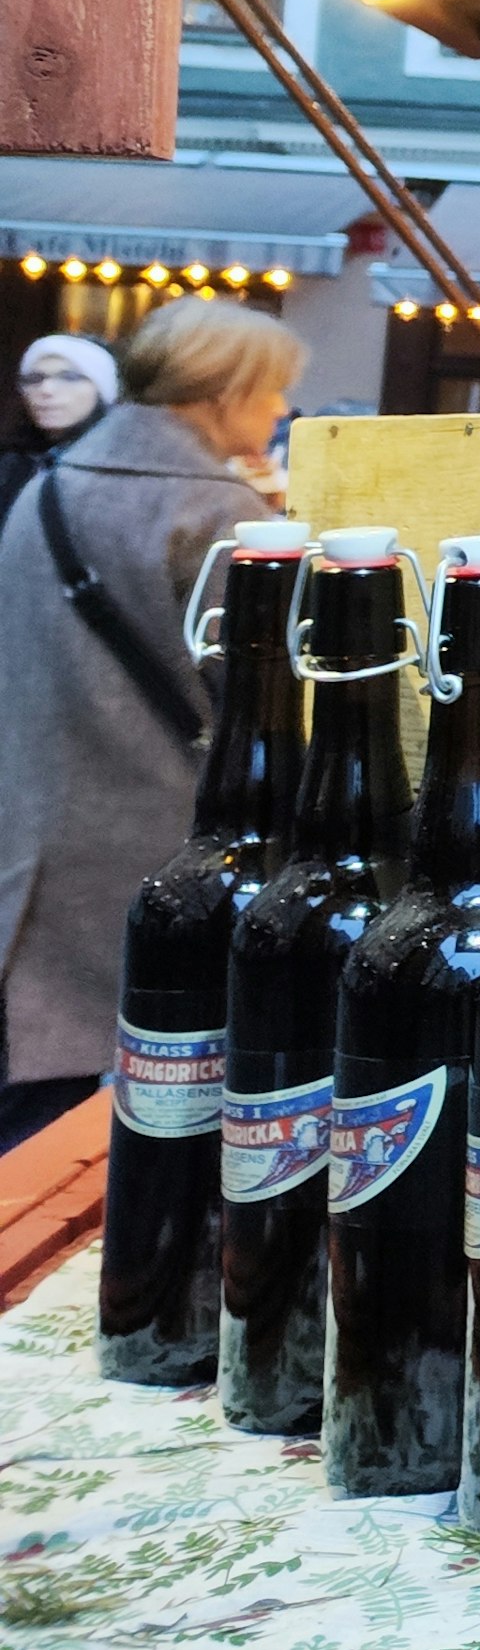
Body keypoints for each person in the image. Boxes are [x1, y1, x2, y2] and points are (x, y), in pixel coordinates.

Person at [0, 299, 304, 1148]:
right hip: (158, 858)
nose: (279, 410)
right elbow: (267, 700)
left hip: (33, 842)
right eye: (273, 389)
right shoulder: (223, 517)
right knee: (109, 1133)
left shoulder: (51, 489)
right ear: (223, 390)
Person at [0, 334, 121, 531]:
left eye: (69, 377)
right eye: (34, 378)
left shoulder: (122, 466)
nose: (46, 390)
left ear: (102, 390)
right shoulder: (10, 465)